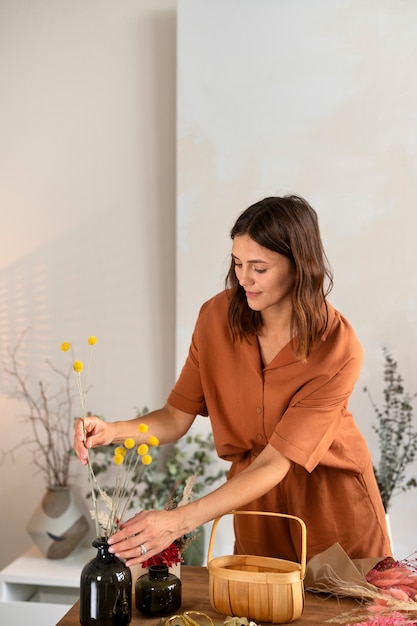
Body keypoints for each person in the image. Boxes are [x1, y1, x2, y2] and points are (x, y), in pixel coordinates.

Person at [74, 195, 392, 567]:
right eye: (238, 263)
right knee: (257, 616)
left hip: (333, 503)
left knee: (349, 618)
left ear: (299, 266)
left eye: (259, 267)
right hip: (254, 502)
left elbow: (276, 462)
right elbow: (176, 416)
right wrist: (112, 431)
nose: (243, 279)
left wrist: (177, 522)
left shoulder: (338, 346)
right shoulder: (215, 318)